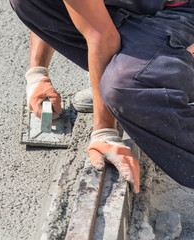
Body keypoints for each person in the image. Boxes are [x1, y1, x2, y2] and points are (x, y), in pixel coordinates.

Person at [10, 0, 194, 193]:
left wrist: (104, 131)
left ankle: (147, 71)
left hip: (179, 12)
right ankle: (130, 65)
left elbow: (102, 35)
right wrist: (37, 73)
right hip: (136, 10)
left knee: (125, 88)